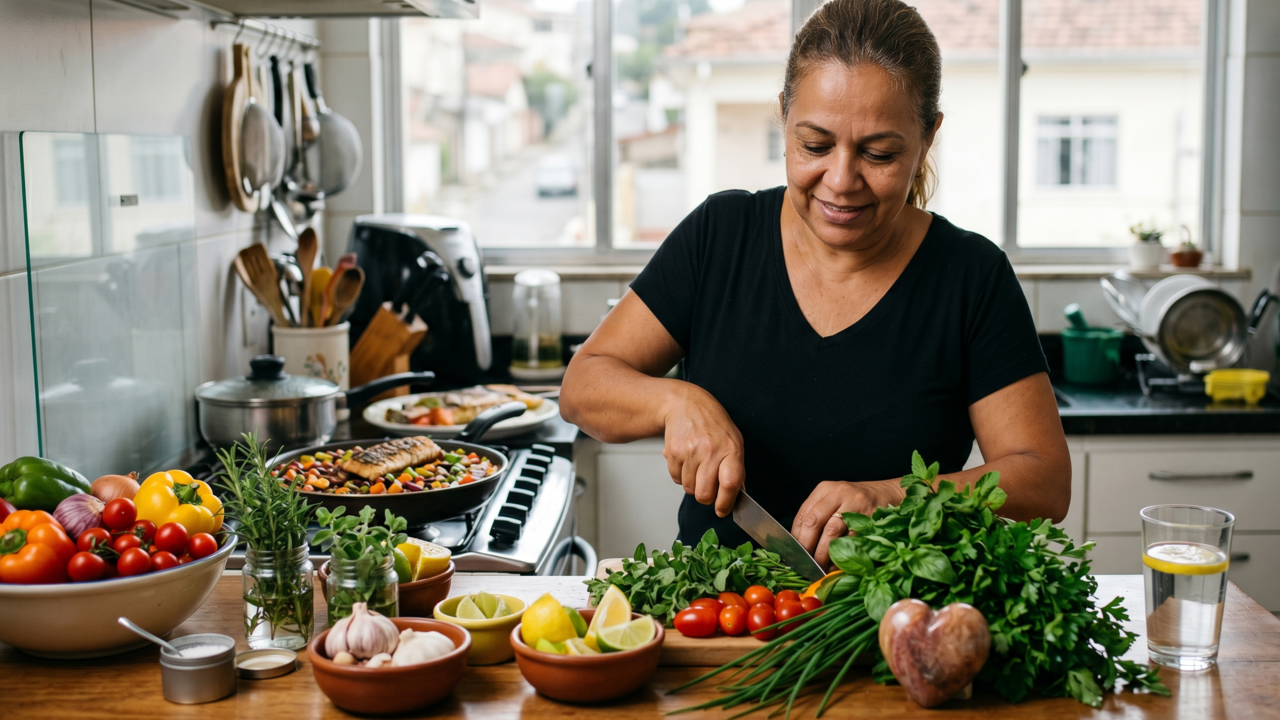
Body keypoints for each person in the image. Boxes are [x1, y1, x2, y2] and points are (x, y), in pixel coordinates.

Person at [559, 0, 1070, 567]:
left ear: (927, 138)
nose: (842, 180)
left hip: (888, 621)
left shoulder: (970, 277)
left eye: (879, 153)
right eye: (815, 146)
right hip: (717, 617)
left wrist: (896, 496)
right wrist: (677, 401)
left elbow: (1043, 479)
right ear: (783, 117)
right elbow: (583, 388)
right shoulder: (720, 236)